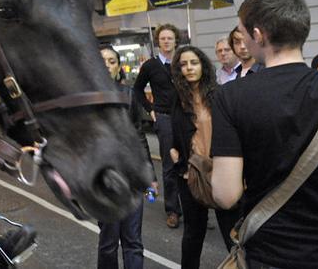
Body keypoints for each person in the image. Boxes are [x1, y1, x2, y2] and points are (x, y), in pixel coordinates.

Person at [212, 0, 318, 268]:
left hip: (269, 253)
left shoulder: (230, 97)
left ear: (259, 35)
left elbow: (226, 195)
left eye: (243, 33)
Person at [168, 45, 240, 268]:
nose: (189, 68)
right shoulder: (178, 98)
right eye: (183, 64)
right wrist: (175, 153)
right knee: (193, 233)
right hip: (191, 172)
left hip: (222, 171)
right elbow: (176, 131)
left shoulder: (220, 94)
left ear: (203, 65)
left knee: (232, 233)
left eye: (194, 63)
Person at [97, 46, 157, 269]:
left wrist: (150, 176)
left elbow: (139, 136)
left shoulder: (128, 94)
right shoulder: (84, 99)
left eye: (112, 61)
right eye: (102, 61)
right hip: (104, 179)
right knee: (108, 242)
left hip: (131, 176)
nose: (107, 65)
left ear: (118, 67)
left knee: (133, 241)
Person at [133, 23, 183, 228]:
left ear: (176, 40)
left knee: (190, 162)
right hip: (164, 117)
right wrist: (150, 109)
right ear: (158, 42)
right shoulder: (150, 65)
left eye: (170, 38)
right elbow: (137, 90)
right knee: (169, 165)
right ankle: (173, 210)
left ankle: (193, 207)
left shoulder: (183, 61)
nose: (166, 41)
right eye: (163, 38)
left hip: (185, 118)